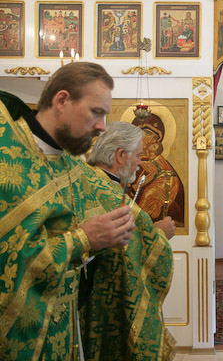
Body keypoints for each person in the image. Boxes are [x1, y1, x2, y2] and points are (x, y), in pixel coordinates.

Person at [0, 62, 136, 360]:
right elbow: (9, 261)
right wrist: (84, 239)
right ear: (62, 100)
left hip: (64, 327)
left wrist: (107, 238)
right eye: (96, 112)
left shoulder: (72, 164)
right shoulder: (8, 157)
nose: (102, 126)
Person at [81, 121, 175, 360]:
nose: (141, 162)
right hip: (102, 300)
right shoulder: (110, 196)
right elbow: (133, 245)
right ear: (121, 155)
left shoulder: (89, 181)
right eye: (138, 155)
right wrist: (160, 233)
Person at [130, 113, 185, 225]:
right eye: (147, 133)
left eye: (154, 137)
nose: (150, 139)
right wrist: (135, 187)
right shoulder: (128, 161)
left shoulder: (160, 162)